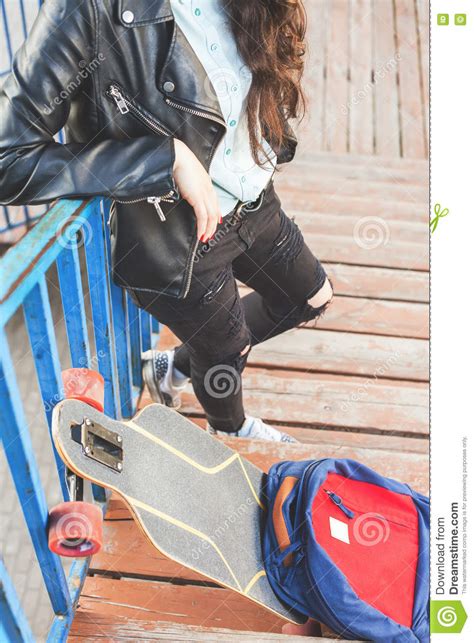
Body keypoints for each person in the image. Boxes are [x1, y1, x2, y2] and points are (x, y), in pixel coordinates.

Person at [0, 0, 333, 442]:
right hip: (176, 233)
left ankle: (171, 366)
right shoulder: (85, 9)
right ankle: (229, 432)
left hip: (253, 197)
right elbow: (9, 159)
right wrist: (163, 159)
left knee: (310, 298)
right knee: (228, 349)